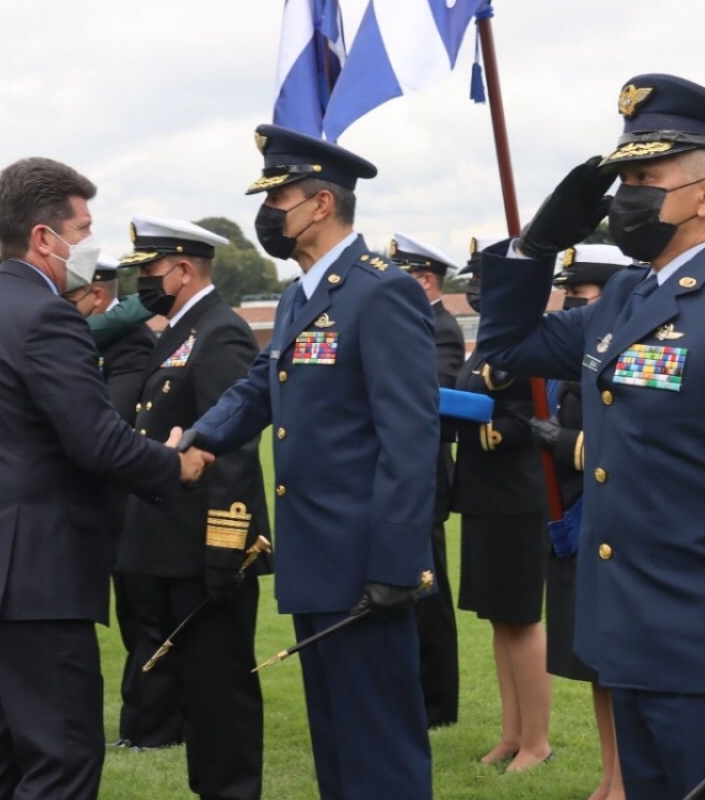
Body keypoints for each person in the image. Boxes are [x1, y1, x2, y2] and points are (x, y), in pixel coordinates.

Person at [476, 74, 705, 799]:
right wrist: (538, 244)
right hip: (634, 647)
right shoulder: (628, 296)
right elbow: (510, 345)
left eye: (645, 178)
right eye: (622, 181)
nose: (623, 198)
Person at [0, 157, 213, 800]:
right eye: (81, 229)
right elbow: (96, 441)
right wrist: (177, 463)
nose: (89, 243)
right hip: (34, 576)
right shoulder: (45, 315)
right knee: (63, 759)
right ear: (42, 238)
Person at [188, 125, 438, 800]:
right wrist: (194, 444)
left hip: (364, 567)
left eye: (280, 199)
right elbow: (258, 388)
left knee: (380, 752)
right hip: (315, 561)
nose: (268, 214)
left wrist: (395, 566)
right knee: (337, 747)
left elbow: (409, 440)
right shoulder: (303, 294)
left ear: (322, 204)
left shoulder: (380, 291)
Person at [112, 214, 271, 799]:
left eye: (149, 270)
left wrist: (224, 547)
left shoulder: (220, 330)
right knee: (198, 695)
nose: (141, 284)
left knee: (220, 691)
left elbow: (231, 448)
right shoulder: (180, 329)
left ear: (182, 269)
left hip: (203, 549)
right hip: (166, 544)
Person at [66, 254, 186, 751]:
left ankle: (152, 725)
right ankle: (144, 720)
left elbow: (111, 416)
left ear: (97, 296)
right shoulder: (99, 339)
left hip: (134, 501)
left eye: (71, 301)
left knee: (145, 616)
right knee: (134, 615)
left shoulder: (131, 342)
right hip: (115, 504)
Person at [531, 244, 631, 800]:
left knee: (615, 663)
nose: (574, 306)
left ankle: (625, 782)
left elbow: (629, 440)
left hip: (605, 518)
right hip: (571, 520)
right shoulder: (575, 353)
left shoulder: (626, 350)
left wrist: (567, 444)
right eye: (569, 295)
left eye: (583, 295)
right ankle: (610, 775)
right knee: (593, 660)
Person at [450, 250, 554, 773]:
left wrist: (483, 428)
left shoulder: (524, 340)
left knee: (521, 618)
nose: (474, 292)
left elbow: (537, 417)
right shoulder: (485, 343)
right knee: (498, 619)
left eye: (483, 284)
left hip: (517, 495)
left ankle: (537, 740)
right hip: (483, 495)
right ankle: (512, 733)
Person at [391, 232, 463, 730]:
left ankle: (438, 705)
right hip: (399, 474)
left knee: (428, 592)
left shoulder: (441, 327)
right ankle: (409, 692)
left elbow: (431, 395)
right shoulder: (408, 324)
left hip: (426, 477)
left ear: (425, 279)